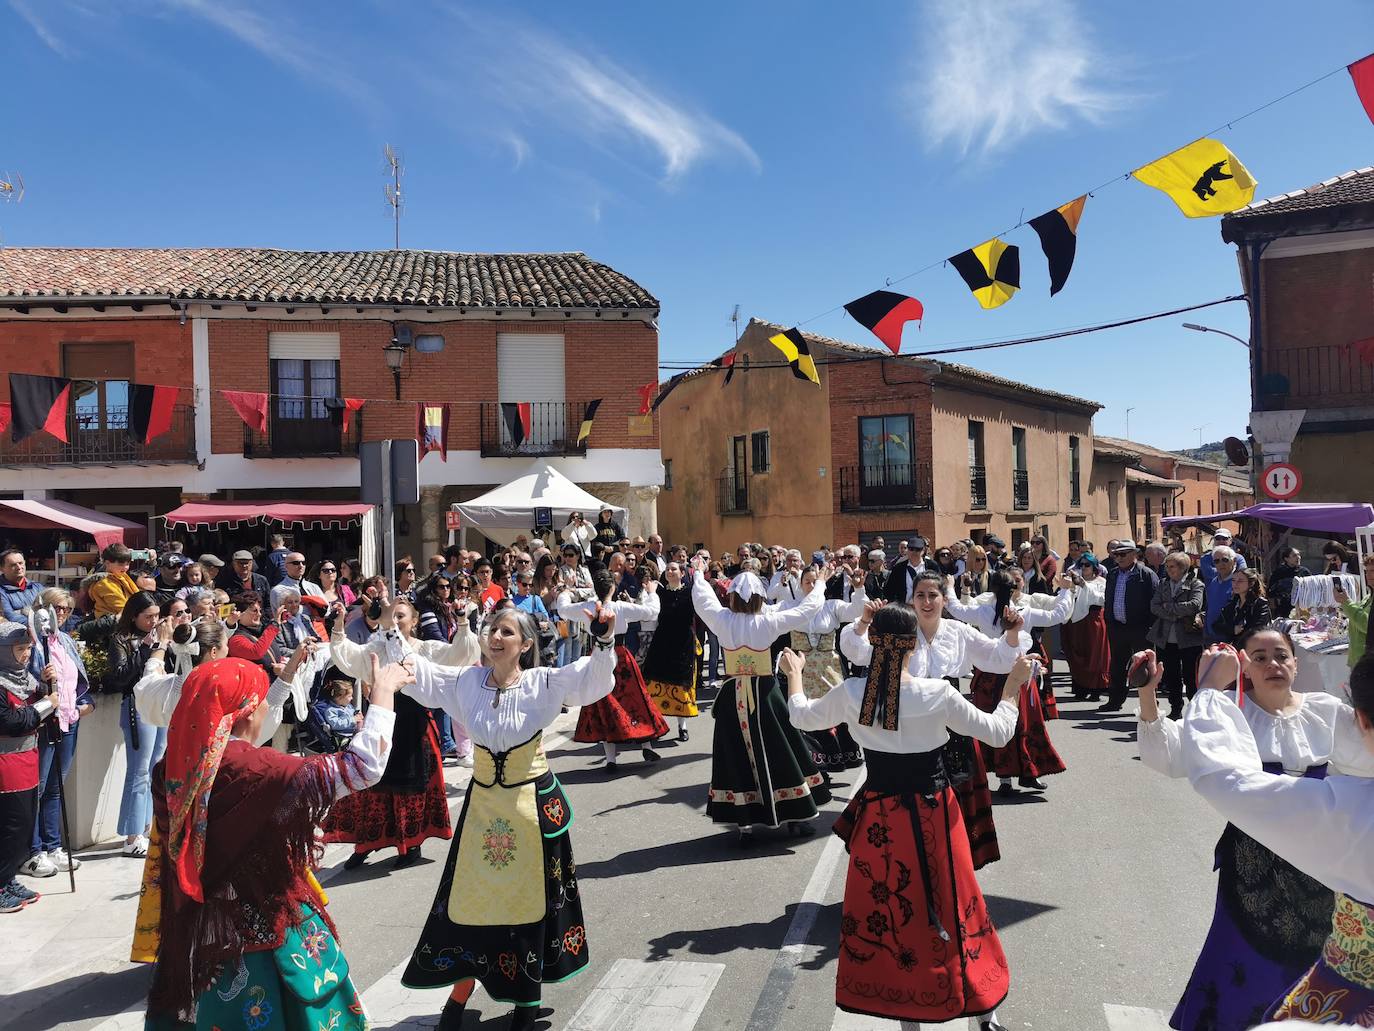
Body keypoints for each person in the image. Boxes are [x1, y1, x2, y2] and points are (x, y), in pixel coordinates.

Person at [783, 611, 1034, 1030]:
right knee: (955, 903)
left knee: (892, 914)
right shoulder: (935, 694)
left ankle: (907, 1016)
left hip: (880, 818)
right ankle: (984, 1012)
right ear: (912, 645)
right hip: (934, 814)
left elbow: (801, 716)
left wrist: (794, 672)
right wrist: (1011, 687)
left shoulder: (852, 692)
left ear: (874, 643)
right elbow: (997, 732)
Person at [141, 652, 404, 1028]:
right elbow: (362, 767)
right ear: (249, 711)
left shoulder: (173, 767)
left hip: (201, 934)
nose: (267, 706)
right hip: (269, 931)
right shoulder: (263, 772)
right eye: (263, 699)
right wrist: (382, 693)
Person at [394, 606, 617, 1030]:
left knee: (528, 910)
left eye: (507, 631)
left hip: (531, 811)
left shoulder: (542, 683)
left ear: (525, 645)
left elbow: (592, 680)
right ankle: (457, 1001)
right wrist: (389, 631)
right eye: (492, 629)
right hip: (482, 813)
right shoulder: (466, 682)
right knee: (469, 906)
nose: (495, 636)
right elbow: (418, 673)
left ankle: (526, 1002)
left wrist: (604, 639)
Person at [1143, 632, 1374, 1029]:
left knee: (1308, 958)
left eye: (1282, 655)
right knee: (1241, 960)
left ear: (1297, 664)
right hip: (1253, 872)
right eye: (1261, 657)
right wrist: (1148, 698)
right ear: (1244, 668)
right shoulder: (1235, 713)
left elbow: (1224, 778)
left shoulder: (1325, 711)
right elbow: (1171, 757)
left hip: (1318, 868)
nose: (1273, 665)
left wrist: (1208, 691)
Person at [840, 572, 1030, 871]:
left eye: (933, 595)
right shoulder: (902, 630)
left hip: (950, 715)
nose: (927, 602)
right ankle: (908, 865)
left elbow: (998, 658)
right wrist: (865, 622)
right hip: (910, 717)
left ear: (944, 599)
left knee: (957, 792)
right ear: (911, 599)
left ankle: (954, 865)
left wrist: (1013, 633)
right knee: (903, 790)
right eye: (920, 596)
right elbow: (858, 652)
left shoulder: (958, 631)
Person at [690, 557, 834, 842]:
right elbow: (807, 609)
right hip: (765, 695)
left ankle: (744, 821)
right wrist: (820, 585)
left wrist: (697, 574)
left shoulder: (723, 619)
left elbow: (702, 599)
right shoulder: (767, 621)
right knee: (781, 749)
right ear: (759, 597)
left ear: (732, 596)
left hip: (734, 696)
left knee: (737, 754)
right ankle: (795, 814)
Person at [324, 597, 472, 868]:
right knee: (368, 784)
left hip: (413, 727)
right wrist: (337, 627)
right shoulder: (377, 647)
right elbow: (349, 657)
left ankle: (410, 846)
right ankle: (367, 843)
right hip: (381, 723)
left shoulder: (425, 649)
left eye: (400, 616)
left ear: (414, 621)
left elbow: (459, 655)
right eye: (392, 615)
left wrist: (462, 622)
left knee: (409, 788)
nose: (394, 620)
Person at [946, 569, 1073, 795]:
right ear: (1013, 588)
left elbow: (956, 609)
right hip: (1018, 675)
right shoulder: (1025, 612)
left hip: (989, 677)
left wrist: (949, 586)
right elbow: (1058, 615)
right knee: (1023, 723)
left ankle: (1007, 779)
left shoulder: (982, 611)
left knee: (994, 723)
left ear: (991, 589)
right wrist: (1064, 589)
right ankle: (1027, 772)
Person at [19, 588, 93, 879]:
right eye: (56, 608)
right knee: (35, 789)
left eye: (66, 609)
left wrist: (82, 704)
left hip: (67, 720)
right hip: (43, 722)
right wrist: (41, 681)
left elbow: (78, 679)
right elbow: (21, 678)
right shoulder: (31, 641)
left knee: (55, 787)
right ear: (42, 609)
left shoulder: (63, 640)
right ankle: (32, 850)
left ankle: (52, 846)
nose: (61, 614)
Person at [565, 570, 670, 768]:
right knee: (635, 700)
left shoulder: (588, 606)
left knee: (603, 703)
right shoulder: (619, 607)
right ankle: (646, 745)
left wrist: (566, 591)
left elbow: (563, 610)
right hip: (621, 656)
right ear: (613, 587)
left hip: (597, 656)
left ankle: (611, 759)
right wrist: (652, 592)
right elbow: (651, 612)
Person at [781, 564, 867, 771]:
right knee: (805, 709)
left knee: (835, 708)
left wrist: (858, 589)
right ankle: (815, 763)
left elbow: (856, 610)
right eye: (807, 582)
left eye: (814, 581)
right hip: (802, 669)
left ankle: (840, 756)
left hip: (829, 668)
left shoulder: (832, 606)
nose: (811, 586)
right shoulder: (791, 606)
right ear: (800, 584)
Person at [103, 591, 167, 857]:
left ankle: (148, 827)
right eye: (148, 617)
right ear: (134, 616)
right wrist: (144, 649)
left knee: (156, 768)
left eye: (156, 616)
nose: (153, 621)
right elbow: (117, 678)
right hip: (136, 706)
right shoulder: (122, 640)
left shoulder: (163, 637)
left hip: (161, 703)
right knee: (139, 771)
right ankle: (132, 835)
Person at [0, 622, 55, 913]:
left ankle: (7, 878)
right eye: (19, 649)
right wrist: (45, 705)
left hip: (28, 758)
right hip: (6, 765)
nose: (25, 654)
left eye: (28, 648)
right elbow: (10, 721)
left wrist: (47, 686)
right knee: (9, 826)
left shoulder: (25, 679)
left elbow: (38, 712)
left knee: (23, 827)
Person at [640, 560, 700, 741]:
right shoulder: (658, 592)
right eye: (667, 569)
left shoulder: (691, 592)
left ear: (682, 573)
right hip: (662, 641)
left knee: (680, 684)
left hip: (683, 643)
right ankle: (657, 725)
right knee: (656, 682)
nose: (670, 572)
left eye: (674, 569)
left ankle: (683, 727)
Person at [1102, 541, 1160, 712]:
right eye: (1116, 554)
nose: (1118, 558)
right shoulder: (1112, 574)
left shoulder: (1146, 575)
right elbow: (1108, 598)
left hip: (1140, 629)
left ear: (1134, 554)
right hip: (1118, 627)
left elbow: (1154, 601)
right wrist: (1109, 620)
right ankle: (1115, 700)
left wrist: (1149, 625)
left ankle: (1150, 703)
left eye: (1123, 554)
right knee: (1117, 665)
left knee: (1145, 667)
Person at [1147, 551, 1206, 719]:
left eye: (1171, 566)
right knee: (1171, 675)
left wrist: (1168, 607)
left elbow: (1194, 606)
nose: (1168, 569)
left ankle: (1195, 711)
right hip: (1165, 639)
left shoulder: (1196, 584)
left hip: (1188, 638)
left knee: (1190, 677)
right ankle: (1175, 708)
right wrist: (1175, 612)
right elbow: (1154, 606)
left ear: (1182, 568)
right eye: (1167, 566)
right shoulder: (1163, 583)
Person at [1061, 554, 1110, 702]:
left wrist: (1083, 585)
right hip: (1075, 620)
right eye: (1081, 565)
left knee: (1095, 655)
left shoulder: (1102, 582)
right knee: (1076, 652)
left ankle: (1096, 688)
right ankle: (1080, 687)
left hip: (1094, 621)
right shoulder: (1074, 582)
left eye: (1087, 565)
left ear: (1094, 567)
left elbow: (1101, 599)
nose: (1083, 568)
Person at [1212, 567, 1271, 647]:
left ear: (1251, 583)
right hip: (1234, 648)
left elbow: (1258, 629)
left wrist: (1241, 630)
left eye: (1240, 581)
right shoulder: (1232, 603)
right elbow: (1216, 626)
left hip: (1253, 648)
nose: (1235, 584)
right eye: (1233, 580)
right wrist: (1232, 629)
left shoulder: (1260, 604)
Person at [1334, 552, 1374, 668]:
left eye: (1373, 571)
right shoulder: (1368, 596)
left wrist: (1346, 603)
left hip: (1368, 664)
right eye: (1367, 571)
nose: (1369, 575)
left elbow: (1367, 625)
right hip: (1359, 661)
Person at [89, 543, 143, 617]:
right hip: (111, 623)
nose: (125, 567)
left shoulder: (122, 576)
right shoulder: (103, 583)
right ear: (107, 563)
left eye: (127, 564)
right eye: (121, 564)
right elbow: (122, 607)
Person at [1266, 547, 1310, 619]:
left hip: (1302, 607)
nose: (1298, 557)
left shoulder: (1304, 572)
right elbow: (1271, 591)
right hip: (1284, 608)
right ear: (1286, 559)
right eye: (1294, 555)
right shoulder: (1279, 572)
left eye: (1299, 555)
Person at [0, 548, 42, 621]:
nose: (19, 567)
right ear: (2, 568)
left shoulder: (37, 587)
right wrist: (36, 623)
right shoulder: (1, 591)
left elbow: (51, 609)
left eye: (20, 563)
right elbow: (10, 617)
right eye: (13, 565)